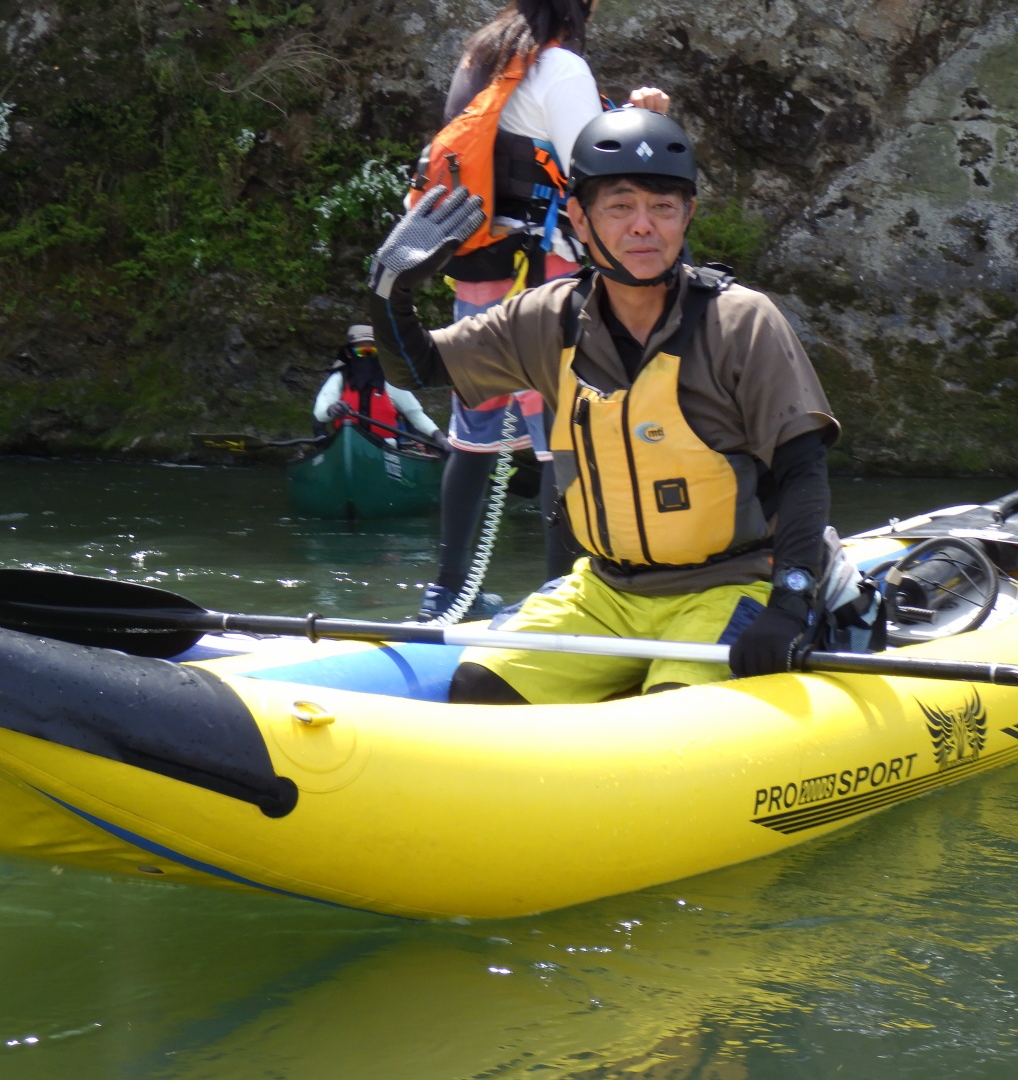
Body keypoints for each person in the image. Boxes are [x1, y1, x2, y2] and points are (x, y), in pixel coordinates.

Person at [367, 108, 840, 704]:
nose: (643, 226)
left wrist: (790, 601)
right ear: (580, 219)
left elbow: (802, 469)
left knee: (672, 715)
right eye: (620, 207)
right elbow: (418, 368)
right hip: (607, 591)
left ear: (688, 215)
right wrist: (390, 291)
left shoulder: (740, 320)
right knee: (479, 688)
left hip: (729, 584)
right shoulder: (546, 318)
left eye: (663, 207)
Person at [410, 0, 670, 621]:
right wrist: (649, 122)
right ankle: (561, 595)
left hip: (479, 267)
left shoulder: (482, 59)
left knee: (473, 432)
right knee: (562, 433)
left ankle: (446, 592)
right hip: (545, 271)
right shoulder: (563, 68)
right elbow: (595, 167)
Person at [311, 325, 445, 450]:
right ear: (349, 353)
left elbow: (415, 414)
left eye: (372, 350)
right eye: (361, 350)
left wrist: (438, 436)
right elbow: (319, 413)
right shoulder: (340, 378)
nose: (367, 355)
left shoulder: (390, 382)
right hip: (347, 445)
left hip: (386, 448)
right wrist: (331, 410)